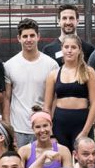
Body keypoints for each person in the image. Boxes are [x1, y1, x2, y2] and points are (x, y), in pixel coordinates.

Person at [4, 19, 56, 148]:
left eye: (32, 35)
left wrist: (50, 125)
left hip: (43, 129)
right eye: (25, 36)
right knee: (19, 167)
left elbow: (54, 99)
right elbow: (6, 99)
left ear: (38, 36)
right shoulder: (10, 65)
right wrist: (8, 128)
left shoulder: (51, 65)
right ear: (19, 38)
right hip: (18, 129)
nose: (29, 39)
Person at [42, 35, 95, 149]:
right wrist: (50, 132)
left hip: (81, 122)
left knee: (81, 159)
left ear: (79, 50)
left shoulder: (88, 72)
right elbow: (47, 107)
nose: (69, 50)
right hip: (59, 124)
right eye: (66, 47)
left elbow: (94, 104)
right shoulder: (53, 74)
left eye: (73, 47)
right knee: (61, 161)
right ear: (62, 49)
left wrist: (85, 131)